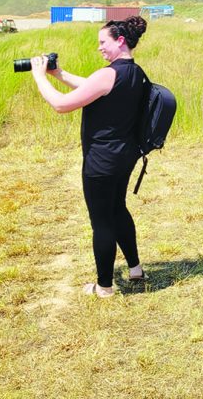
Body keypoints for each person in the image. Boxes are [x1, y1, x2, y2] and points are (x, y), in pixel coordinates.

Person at [29, 16, 150, 298]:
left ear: (120, 41)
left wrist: (38, 76)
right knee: (118, 209)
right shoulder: (135, 72)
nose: (100, 49)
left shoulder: (108, 74)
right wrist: (58, 74)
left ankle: (104, 287)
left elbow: (60, 105)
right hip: (125, 156)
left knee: (102, 222)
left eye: (103, 43)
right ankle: (135, 269)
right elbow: (92, 86)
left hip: (102, 160)